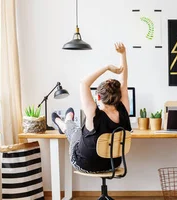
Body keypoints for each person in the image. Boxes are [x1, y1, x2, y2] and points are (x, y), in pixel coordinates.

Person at [52, 42, 131, 173]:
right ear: (119, 95)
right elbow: (123, 82)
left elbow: (84, 83)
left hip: (85, 165)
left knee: (77, 132)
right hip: (113, 164)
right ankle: (65, 122)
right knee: (78, 132)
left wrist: (107, 67)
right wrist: (123, 54)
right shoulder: (124, 110)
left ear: (98, 97)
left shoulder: (93, 113)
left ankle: (64, 123)